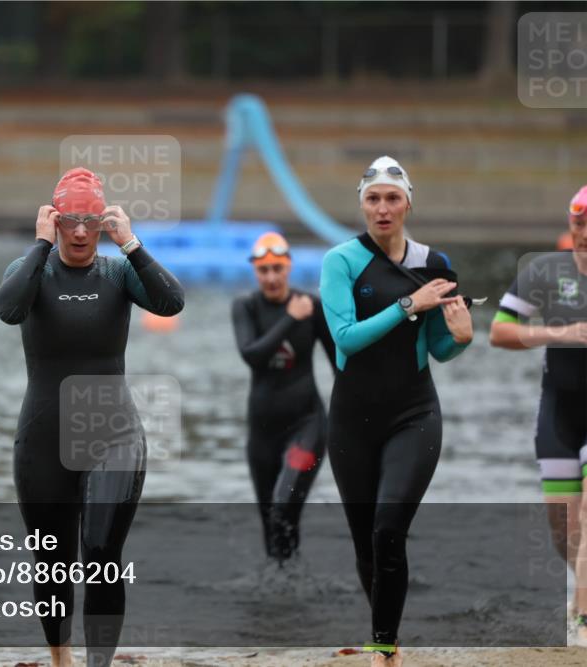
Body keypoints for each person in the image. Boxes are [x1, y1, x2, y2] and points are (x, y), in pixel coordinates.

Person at [0, 167, 184, 667]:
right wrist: (38, 247)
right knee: (52, 563)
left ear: (104, 223)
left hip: (114, 433)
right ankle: (61, 658)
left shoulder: (118, 272)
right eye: (70, 220)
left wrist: (132, 244)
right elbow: (8, 310)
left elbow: (171, 301)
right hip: (42, 438)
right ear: (54, 220)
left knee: (100, 554)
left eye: (91, 221)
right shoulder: (31, 268)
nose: (80, 232)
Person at [319, 156, 473, 665]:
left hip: (414, 413)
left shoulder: (434, 263)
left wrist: (462, 338)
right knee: (367, 544)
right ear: (362, 205)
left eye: (392, 198)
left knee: (389, 528)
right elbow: (345, 340)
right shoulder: (340, 261)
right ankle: (388, 638)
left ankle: (383, 650)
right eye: (373, 199)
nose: (382, 209)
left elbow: (437, 348)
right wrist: (409, 305)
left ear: (408, 202)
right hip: (352, 419)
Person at [489, 184, 587, 642]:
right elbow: (500, 332)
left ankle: (580, 619)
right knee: (563, 530)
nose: (585, 232)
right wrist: (564, 332)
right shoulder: (546, 272)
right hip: (559, 413)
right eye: (579, 223)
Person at [231, 231, 336, 564]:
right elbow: (252, 355)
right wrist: (291, 318)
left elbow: (339, 365)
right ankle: (283, 596)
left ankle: (291, 586)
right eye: (264, 271)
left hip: (307, 426)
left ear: (288, 267)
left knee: (284, 502)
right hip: (262, 434)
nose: (272, 277)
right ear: (255, 272)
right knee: (271, 522)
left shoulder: (312, 307)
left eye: (278, 268)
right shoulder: (246, 306)